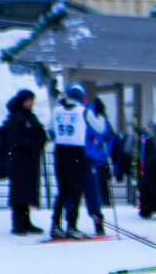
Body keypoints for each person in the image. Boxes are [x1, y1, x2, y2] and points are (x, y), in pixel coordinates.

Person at [45, 87, 91, 240]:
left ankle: (55, 225)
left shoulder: (56, 111)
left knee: (63, 190)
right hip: (77, 151)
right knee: (76, 190)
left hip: (60, 151)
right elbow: (99, 128)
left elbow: (50, 132)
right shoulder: (83, 111)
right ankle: (71, 225)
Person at [1, 92, 45, 237]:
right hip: (19, 160)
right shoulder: (15, 117)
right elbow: (15, 138)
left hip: (30, 160)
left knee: (28, 190)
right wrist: (32, 145)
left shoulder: (30, 116)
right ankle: (17, 222)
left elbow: (41, 133)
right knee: (19, 190)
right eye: (28, 100)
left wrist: (38, 143)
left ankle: (26, 221)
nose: (31, 103)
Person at [81, 98, 115, 237]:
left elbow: (106, 137)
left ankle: (96, 218)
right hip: (95, 159)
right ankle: (98, 220)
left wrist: (101, 154)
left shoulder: (89, 115)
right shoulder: (96, 116)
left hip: (92, 158)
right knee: (95, 190)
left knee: (94, 189)